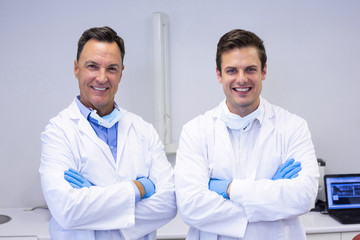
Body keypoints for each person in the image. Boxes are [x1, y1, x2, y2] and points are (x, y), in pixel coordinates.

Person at [174, 29, 319, 239]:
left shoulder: (293, 127)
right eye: (231, 70)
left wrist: (229, 189)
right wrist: (271, 192)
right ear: (218, 74)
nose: (241, 79)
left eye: (250, 69)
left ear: (264, 71)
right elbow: (192, 207)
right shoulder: (195, 131)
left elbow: (303, 197)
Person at [39, 26, 176, 239]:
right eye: (92, 66)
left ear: (121, 72)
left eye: (112, 68)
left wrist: (93, 197)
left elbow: (168, 204)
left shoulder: (144, 131)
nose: (102, 78)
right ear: (76, 69)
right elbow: (68, 211)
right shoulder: (58, 132)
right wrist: (138, 189)